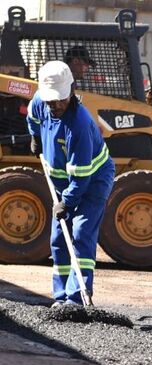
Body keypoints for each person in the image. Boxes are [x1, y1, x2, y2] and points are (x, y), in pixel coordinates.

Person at [26, 60, 115, 306]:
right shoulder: (41, 102)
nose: (54, 105)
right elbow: (33, 118)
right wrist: (35, 137)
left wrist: (66, 203)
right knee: (58, 239)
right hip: (63, 181)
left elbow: (81, 177)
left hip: (93, 180)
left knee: (80, 232)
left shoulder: (79, 126)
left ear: (71, 92)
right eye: (50, 101)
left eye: (60, 100)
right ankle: (61, 296)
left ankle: (77, 298)